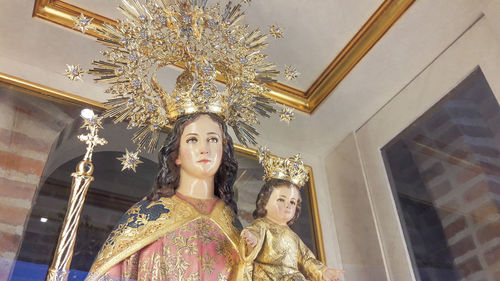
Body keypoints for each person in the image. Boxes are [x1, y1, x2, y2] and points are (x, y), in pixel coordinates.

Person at [86, 113, 241, 281]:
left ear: (223, 152)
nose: (204, 148)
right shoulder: (146, 215)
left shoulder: (232, 225)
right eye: (192, 140)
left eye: (213, 139)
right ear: (177, 156)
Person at [237, 151, 343, 281]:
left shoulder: (294, 237)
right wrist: (252, 240)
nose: (288, 205)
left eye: (292, 202)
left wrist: (323, 272)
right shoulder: (262, 225)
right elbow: (255, 234)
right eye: (281, 200)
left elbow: (306, 259)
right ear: (265, 203)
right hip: (269, 276)